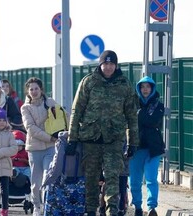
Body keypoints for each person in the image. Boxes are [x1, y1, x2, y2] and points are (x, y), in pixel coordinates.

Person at [67, 50, 139, 216]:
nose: (108, 67)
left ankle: (111, 211)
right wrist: (72, 138)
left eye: (111, 64)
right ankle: (91, 210)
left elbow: (131, 115)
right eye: (105, 64)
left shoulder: (124, 85)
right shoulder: (89, 82)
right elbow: (77, 110)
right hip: (90, 139)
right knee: (91, 179)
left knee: (112, 177)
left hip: (114, 140)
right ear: (100, 64)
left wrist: (133, 142)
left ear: (116, 65)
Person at [20, 77, 58, 216]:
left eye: (36, 88)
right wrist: (49, 137)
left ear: (41, 89)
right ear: (28, 92)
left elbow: (64, 117)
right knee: (36, 182)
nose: (34, 91)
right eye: (31, 89)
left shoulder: (50, 102)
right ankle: (37, 206)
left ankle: (48, 205)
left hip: (50, 147)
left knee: (48, 177)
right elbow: (30, 128)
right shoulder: (25, 108)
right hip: (34, 148)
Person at [129, 76, 165, 216]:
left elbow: (152, 121)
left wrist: (138, 115)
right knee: (135, 180)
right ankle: (137, 206)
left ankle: (151, 207)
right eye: (142, 87)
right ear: (139, 88)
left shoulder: (158, 105)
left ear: (152, 88)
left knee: (151, 179)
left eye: (148, 87)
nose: (145, 89)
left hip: (152, 149)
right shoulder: (132, 104)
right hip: (136, 148)